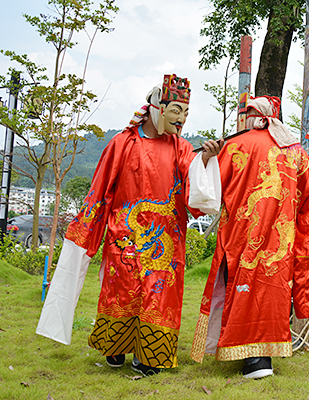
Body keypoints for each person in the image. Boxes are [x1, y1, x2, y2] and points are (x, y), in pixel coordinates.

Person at [36, 74, 224, 376]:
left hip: (165, 238)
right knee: (121, 293)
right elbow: (100, 188)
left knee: (158, 295)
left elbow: (195, 182)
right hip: (123, 237)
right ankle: (115, 348)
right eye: (176, 110)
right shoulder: (121, 144)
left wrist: (206, 158)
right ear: (156, 108)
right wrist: (88, 227)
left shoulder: (181, 147)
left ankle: (149, 356)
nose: (181, 119)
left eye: (186, 113)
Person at [189, 96, 309, 379]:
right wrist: (303, 240)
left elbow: (208, 194)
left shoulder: (234, 146)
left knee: (241, 290)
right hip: (280, 243)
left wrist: (207, 159)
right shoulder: (296, 153)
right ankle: (261, 360)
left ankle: (245, 355)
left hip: (240, 239)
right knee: (271, 294)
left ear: (250, 116)